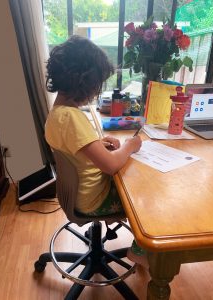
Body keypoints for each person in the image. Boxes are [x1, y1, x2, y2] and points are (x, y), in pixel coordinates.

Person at [45, 35, 147, 267]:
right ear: (85, 82)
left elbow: (73, 148)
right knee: (146, 195)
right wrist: (131, 145)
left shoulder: (58, 113)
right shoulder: (71, 118)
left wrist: (98, 145)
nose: (98, 91)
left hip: (77, 193)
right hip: (94, 200)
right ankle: (141, 251)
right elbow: (111, 165)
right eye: (98, 84)